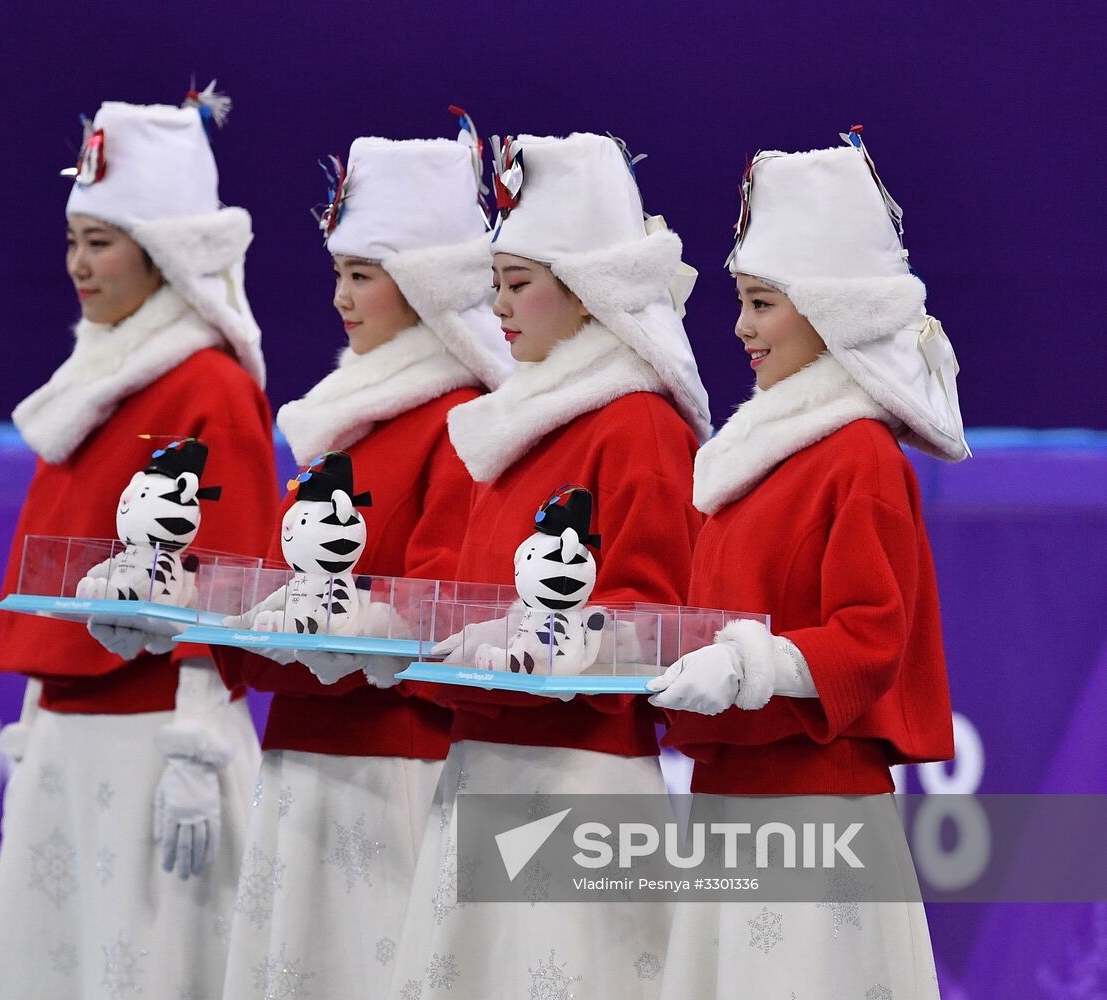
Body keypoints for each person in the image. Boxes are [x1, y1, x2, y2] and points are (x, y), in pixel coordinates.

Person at [387, 131, 710, 999]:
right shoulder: (515, 420)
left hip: (582, 778)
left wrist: (528, 642)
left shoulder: (639, 426)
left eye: (518, 283)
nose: (497, 306)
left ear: (589, 289)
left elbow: (650, 619)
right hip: (483, 762)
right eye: (493, 283)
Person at [0, 93, 278, 999]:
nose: (78, 265)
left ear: (164, 251)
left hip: (157, 742)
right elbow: (53, 568)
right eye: (74, 242)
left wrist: (196, 744)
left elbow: (229, 570)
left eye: (100, 242)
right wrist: (34, 720)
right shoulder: (91, 381)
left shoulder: (211, 387)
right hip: (70, 741)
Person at [650, 128, 966, 1000]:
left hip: (812, 812)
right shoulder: (749, 455)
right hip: (729, 803)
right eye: (742, 301)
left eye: (762, 302)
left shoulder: (859, 457)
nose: (740, 327)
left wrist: (749, 666)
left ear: (829, 308)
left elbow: (871, 638)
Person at [216, 122, 511, 1000]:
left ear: (422, 285)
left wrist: (324, 626)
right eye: (338, 273)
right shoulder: (345, 415)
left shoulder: (459, 416)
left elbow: (440, 607)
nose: (340, 299)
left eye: (361, 275)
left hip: (393, 776)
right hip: (302, 761)